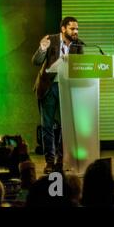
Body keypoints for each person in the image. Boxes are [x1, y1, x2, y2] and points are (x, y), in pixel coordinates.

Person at [32, 17, 83, 174]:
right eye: (72, 29)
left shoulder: (78, 45)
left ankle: (61, 159)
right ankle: (49, 161)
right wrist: (42, 49)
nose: (76, 32)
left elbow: (81, 66)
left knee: (66, 127)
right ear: (63, 29)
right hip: (48, 87)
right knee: (47, 126)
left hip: (66, 88)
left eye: (77, 29)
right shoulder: (51, 40)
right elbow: (36, 61)